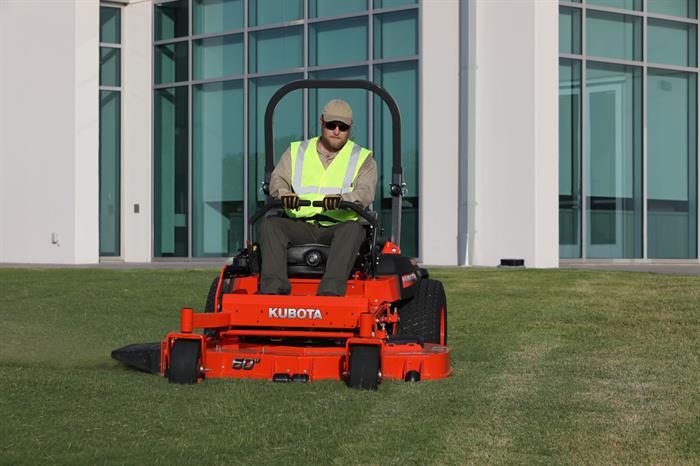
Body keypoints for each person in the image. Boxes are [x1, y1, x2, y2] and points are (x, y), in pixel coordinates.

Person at [259, 99, 377, 296]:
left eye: (343, 127)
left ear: (350, 127)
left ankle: (331, 292)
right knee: (271, 225)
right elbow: (277, 179)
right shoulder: (297, 152)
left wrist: (343, 198)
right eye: (331, 125)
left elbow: (365, 191)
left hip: (338, 227)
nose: (336, 131)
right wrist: (284, 193)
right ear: (322, 122)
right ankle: (273, 291)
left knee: (353, 229)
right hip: (300, 224)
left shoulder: (363, 158)